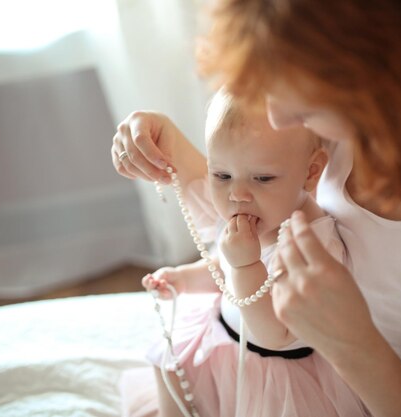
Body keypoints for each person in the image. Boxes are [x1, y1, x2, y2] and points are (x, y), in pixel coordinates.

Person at [111, 1, 401, 416]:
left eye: (302, 96)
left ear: (384, 67)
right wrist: (174, 153)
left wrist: (354, 346)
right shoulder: (373, 113)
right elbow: (261, 198)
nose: (279, 115)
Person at [133, 89, 366, 417]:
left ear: (310, 172)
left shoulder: (312, 246)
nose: (238, 194)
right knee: (171, 360)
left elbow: (276, 334)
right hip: (227, 343)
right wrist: (182, 278)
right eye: (222, 175)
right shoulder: (249, 217)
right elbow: (222, 269)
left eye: (263, 178)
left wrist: (246, 264)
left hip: (277, 374)